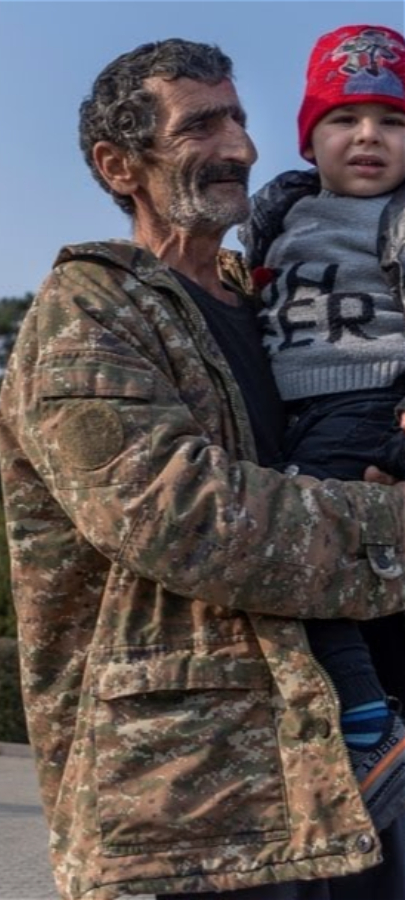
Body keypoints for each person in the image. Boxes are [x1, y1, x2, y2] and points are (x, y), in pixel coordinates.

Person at [0, 38, 405, 900]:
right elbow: (183, 519)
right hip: (205, 786)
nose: (243, 149)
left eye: (243, 119)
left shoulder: (273, 297)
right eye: (202, 125)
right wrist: (392, 528)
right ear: (119, 164)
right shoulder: (88, 311)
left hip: (333, 761)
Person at [239, 23, 405, 834]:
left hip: (368, 402)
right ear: (311, 137)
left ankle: (366, 713)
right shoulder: (286, 213)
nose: (368, 136)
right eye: (345, 119)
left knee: (296, 546)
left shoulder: (402, 218)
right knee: (310, 556)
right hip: (293, 412)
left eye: (393, 121)